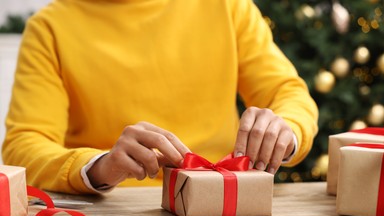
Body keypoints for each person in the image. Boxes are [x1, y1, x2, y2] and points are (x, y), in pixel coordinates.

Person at [2, 0, 318, 194]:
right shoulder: (50, 28)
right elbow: (24, 144)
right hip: (112, 213)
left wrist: (285, 129)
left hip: (223, 203)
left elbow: (287, 93)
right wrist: (99, 165)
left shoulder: (227, 5)